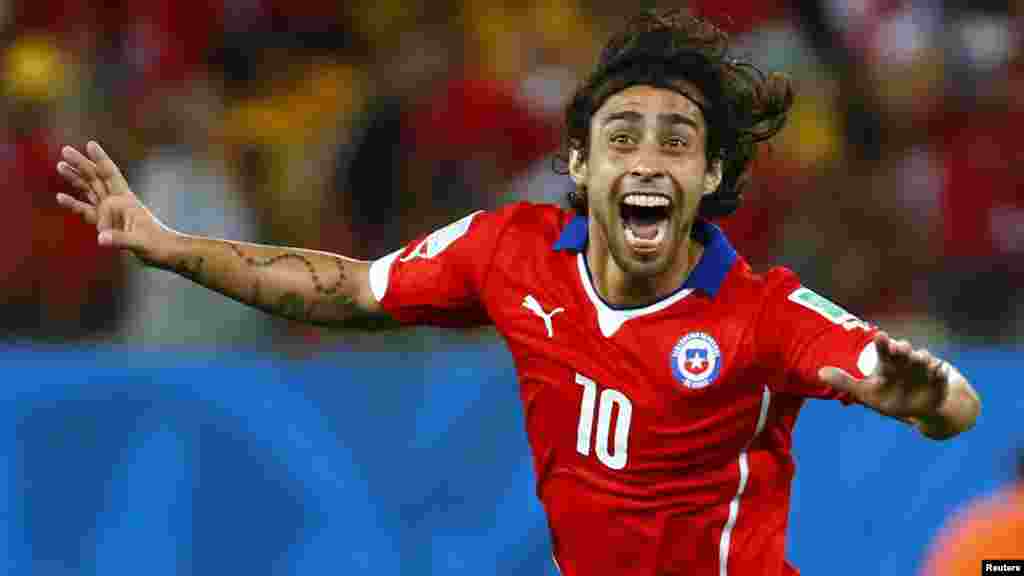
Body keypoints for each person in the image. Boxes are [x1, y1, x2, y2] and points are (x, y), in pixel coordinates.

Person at [55, 10, 980, 576]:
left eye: (677, 142)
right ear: (580, 163)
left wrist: (926, 399)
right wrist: (172, 246)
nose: (647, 159)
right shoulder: (510, 253)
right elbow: (348, 287)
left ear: (711, 177)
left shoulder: (765, 312)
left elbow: (950, 400)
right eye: (623, 136)